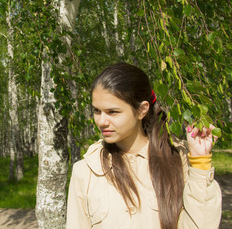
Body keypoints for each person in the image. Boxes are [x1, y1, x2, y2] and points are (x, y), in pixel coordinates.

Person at [66, 63, 222, 229]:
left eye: (112, 112)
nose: (101, 121)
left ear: (142, 110)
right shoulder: (86, 171)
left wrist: (200, 160)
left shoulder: (178, 159)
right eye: (97, 111)